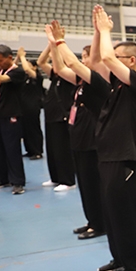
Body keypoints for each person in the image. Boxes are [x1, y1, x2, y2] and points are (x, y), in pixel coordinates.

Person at [88, 4, 136, 271]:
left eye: (119, 56)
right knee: (111, 211)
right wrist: (96, 32)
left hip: (125, 157)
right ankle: (120, 257)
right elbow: (96, 62)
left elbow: (106, 58)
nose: (112, 59)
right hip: (108, 156)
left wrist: (105, 32)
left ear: (132, 62)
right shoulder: (115, 86)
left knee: (125, 213)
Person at [48, 22, 107, 241]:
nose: (82, 60)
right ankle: (91, 220)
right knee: (84, 184)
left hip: (92, 142)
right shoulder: (81, 82)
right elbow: (61, 68)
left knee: (93, 185)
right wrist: (54, 45)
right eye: (82, 56)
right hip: (79, 140)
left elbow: (70, 62)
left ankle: (100, 224)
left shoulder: (97, 81)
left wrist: (61, 41)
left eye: (86, 56)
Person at [0, 44, 27, 194]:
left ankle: (18, 182)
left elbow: (0, 79)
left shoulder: (18, 72)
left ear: (9, 57)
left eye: (0, 61)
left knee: (12, 148)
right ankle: (3, 178)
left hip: (11, 114)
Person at [37, 43, 77, 192]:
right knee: (52, 149)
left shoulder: (69, 76)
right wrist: (50, 44)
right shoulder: (55, 76)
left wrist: (57, 45)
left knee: (63, 150)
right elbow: (41, 62)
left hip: (62, 116)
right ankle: (55, 177)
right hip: (50, 116)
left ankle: (68, 180)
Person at [17, 47, 44, 160]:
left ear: (34, 67)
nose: (25, 67)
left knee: (33, 129)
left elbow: (28, 70)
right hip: (23, 108)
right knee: (25, 130)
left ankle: (37, 151)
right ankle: (29, 150)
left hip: (33, 107)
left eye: (29, 64)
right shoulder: (23, 78)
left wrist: (22, 56)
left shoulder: (37, 77)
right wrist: (18, 58)